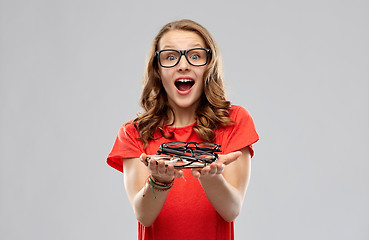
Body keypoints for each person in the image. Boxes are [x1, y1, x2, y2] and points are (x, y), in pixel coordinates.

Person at [107, 19, 259, 240]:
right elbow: (143, 216)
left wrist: (210, 176)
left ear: (209, 65)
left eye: (195, 56)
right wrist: (160, 181)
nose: (183, 65)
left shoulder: (233, 121)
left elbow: (231, 210)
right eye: (170, 57)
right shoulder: (134, 133)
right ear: (158, 70)